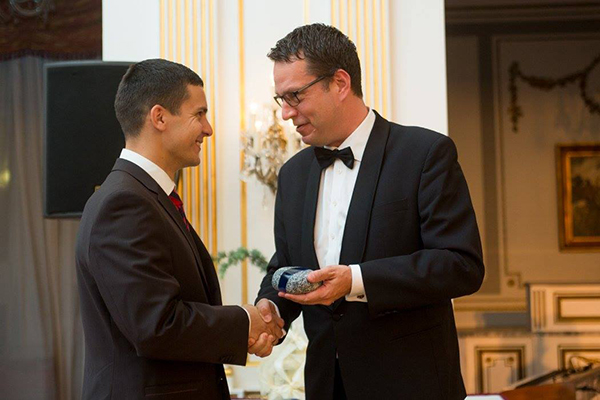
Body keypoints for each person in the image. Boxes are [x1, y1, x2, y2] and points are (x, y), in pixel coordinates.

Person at [255, 24, 485, 400]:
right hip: (326, 387)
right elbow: (286, 264)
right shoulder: (293, 174)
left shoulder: (424, 154)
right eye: (281, 99)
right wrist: (270, 306)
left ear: (340, 83)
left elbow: (461, 265)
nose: (285, 113)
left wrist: (356, 280)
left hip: (411, 387)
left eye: (295, 96)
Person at [76, 58, 284, 400]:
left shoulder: (146, 197)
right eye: (199, 114)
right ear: (159, 117)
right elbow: (156, 325)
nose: (208, 129)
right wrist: (246, 322)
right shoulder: (124, 203)